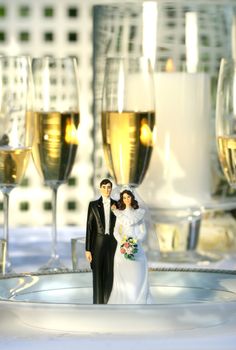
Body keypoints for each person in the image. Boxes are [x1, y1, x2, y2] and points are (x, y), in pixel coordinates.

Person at [108, 189, 153, 304]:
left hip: (136, 246)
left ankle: (138, 298)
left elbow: (143, 231)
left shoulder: (139, 213)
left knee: (138, 273)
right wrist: (123, 242)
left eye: (128, 197)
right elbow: (116, 231)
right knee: (123, 273)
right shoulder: (120, 214)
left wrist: (135, 241)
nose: (126, 200)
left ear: (132, 198)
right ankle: (124, 299)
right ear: (122, 199)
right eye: (124, 198)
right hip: (122, 247)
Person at [85, 178, 117, 304]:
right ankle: (97, 302)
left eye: (109, 187)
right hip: (97, 243)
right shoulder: (93, 205)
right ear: (100, 188)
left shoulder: (117, 204)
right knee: (97, 272)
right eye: (104, 187)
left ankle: (108, 300)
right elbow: (89, 227)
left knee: (110, 272)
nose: (106, 189)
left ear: (111, 189)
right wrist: (88, 249)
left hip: (112, 243)